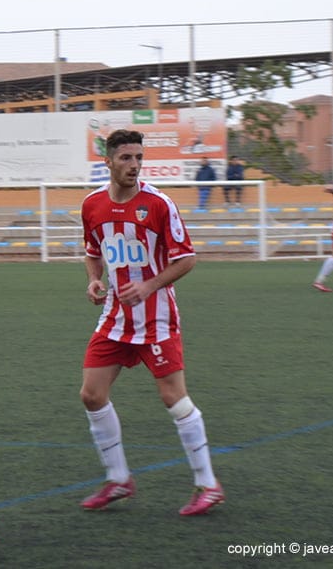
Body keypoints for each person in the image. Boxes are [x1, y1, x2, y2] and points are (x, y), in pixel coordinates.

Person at [79, 129, 224, 516]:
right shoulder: (92, 204)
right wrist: (95, 279)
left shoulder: (158, 203)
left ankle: (208, 485)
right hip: (114, 317)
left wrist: (149, 286)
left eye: (138, 157)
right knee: (91, 394)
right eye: (125, 158)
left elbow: (187, 258)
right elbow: (93, 251)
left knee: (173, 398)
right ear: (107, 162)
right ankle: (118, 479)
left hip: (156, 318)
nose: (134, 165)